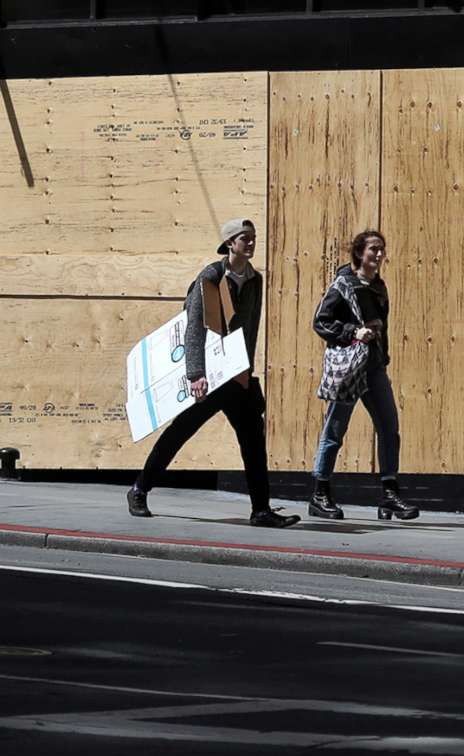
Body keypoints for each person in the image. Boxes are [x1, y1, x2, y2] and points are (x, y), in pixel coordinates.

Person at [128, 219, 300, 527]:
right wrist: (196, 373)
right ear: (230, 244)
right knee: (179, 432)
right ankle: (139, 490)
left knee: (252, 441)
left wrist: (246, 371)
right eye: (244, 238)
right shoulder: (211, 277)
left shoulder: (256, 281)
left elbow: (250, 329)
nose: (250, 243)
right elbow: (193, 326)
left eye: (253, 238)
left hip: (237, 375)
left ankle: (261, 510)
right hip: (209, 376)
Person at [310, 228, 418, 522]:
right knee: (335, 430)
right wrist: (353, 332)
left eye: (382, 249)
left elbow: (382, 324)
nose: (380, 255)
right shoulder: (343, 285)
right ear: (360, 253)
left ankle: (389, 494)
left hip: (374, 368)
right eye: (374, 249)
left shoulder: (378, 286)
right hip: (350, 368)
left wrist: (383, 353)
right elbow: (321, 322)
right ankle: (320, 493)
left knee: (389, 428)